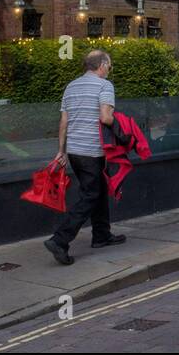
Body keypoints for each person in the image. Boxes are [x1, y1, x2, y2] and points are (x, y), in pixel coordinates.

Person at [45, 50, 124, 266]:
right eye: (109, 65)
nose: (109, 69)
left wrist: (61, 150)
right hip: (92, 151)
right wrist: (123, 126)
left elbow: (64, 121)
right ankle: (60, 240)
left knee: (96, 191)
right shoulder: (104, 86)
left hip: (75, 152)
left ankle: (101, 235)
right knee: (91, 195)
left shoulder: (71, 86)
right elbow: (105, 117)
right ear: (102, 65)